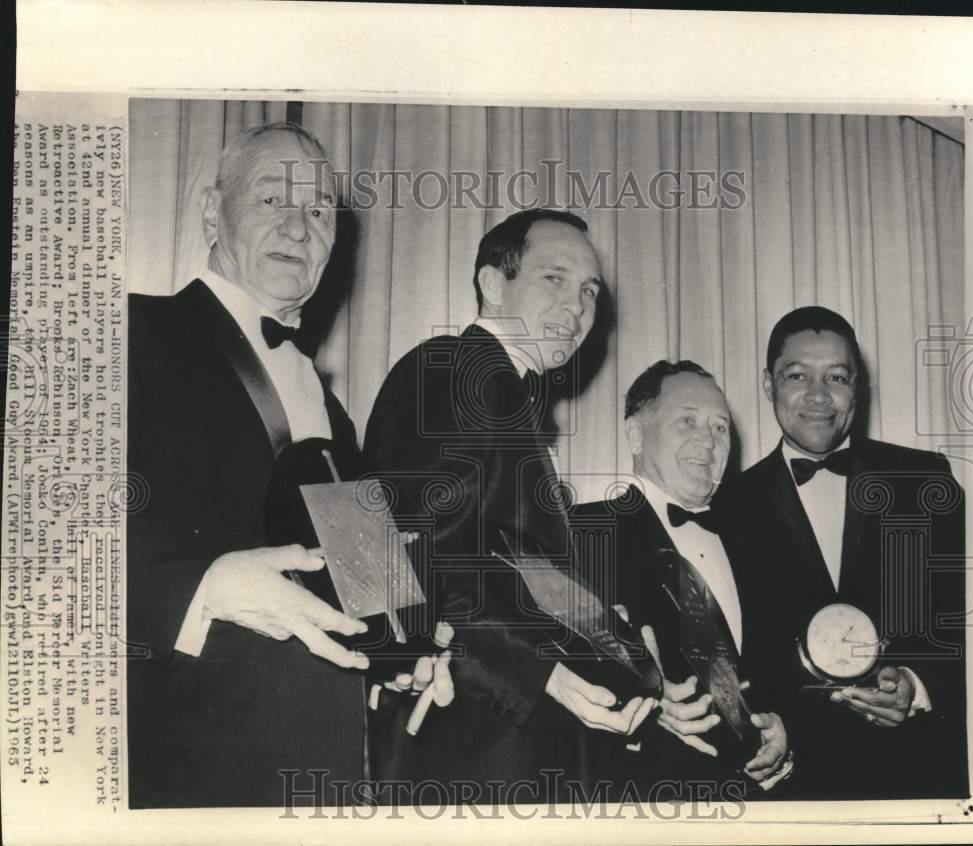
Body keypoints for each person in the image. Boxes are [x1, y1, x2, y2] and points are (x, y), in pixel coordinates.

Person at [127, 123, 450, 808]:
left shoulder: (337, 417)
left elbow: (367, 600)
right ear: (213, 211)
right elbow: (36, 535)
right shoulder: (127, 332)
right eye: (273, 199)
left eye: (319, 211)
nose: (299, 228)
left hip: (326, 777)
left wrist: (404, 657)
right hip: (178, 768)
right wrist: (202, 586)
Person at [362, 209, 656, 800]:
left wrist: (618, 651)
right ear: (493, 284)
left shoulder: (499, 391)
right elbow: (409, 556)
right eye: (555, 278)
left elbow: (509, 570)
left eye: (589, 291)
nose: (577, 307)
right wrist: (539, 672)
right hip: (469, 753)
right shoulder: (458, 369)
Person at [722, 306, 967, 799]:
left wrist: (919, 686)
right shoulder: (726, 505)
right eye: (797, 376)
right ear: (769, 384)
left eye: (837, 376)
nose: (819, 396)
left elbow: (972, 617)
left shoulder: (923, 480)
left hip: (921, 778)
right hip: (794, 790)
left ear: (858, 388)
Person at [571, 360, 792, 802]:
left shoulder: (759, 542)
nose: (708, 441)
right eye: (686, 421)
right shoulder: (579, 534)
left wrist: (786, 733)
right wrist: (645, 704)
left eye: (720, 427)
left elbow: (779, 670)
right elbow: (556, 680)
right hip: (644, 804)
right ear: (635, 434)